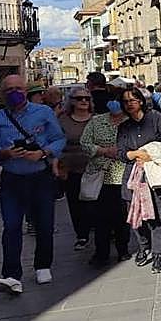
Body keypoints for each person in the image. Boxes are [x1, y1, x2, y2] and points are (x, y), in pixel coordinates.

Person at [0, 75, 66, 294]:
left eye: (18, 88)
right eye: (9, 89)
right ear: (1, 95)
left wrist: (42, 152)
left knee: (44, 224)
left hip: (40, 176)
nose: (14, 92)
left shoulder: (44, 113)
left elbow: (59, 139)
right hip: (12, 178)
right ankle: (11, 274)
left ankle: (42, 265)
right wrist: (5, 152)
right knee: (11, 226)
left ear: (26, 90)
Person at [116, 87, 161, 268]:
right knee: (135, 216)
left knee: (158, 216)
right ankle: (143, 245)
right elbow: (122, 153)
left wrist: (151, 155)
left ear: (140, 101)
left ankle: (157, 254)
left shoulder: (155, 118)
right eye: (125, 101)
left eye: (132, 100)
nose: (129, 104)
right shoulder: (124, 126)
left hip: (156, 174)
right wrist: (138, 154)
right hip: (134, 175)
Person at [80, 97, 132, 268]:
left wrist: (123, 152)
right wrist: (102, 150)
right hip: (100, 175)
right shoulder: (97, 121)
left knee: (121, 216)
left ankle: (122, 249)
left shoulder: (129, 121)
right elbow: (85, 143)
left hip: (122, 174)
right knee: (101, 218)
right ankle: (101, 252)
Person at [56, 86, 95, 251]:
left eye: (86, 98)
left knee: (93, 202)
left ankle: (98, 229)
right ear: (72, 101)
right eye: (79, 98)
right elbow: (56, 142)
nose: (84, 101)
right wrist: (58, 164)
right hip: (71, 167)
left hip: (93, 168)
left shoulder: (97, 119)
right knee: (75, 202)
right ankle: (82, 235)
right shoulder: (62, 120)